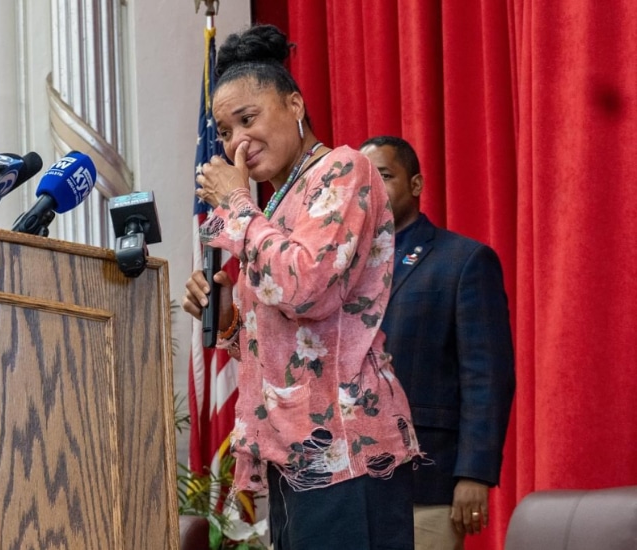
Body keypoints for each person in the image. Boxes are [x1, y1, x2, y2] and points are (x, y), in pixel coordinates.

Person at [182, 25, 420, 550]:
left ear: (294, 104)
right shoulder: (275, 205)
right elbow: (273, 336)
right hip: (292, 456)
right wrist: (224, 308)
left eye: (248, 119)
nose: (236, 142)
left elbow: (307, 288)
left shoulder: (343, 168)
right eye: (224, 131)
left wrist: (238, 207)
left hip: (350, 448)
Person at [359, 135, 516, 550]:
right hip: (349, 484)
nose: (371, 189)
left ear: (415, 184)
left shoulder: (463, 261)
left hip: (427, 482)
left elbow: (487, 377)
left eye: (384, 175)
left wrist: (474, 474)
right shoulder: (342, 271)